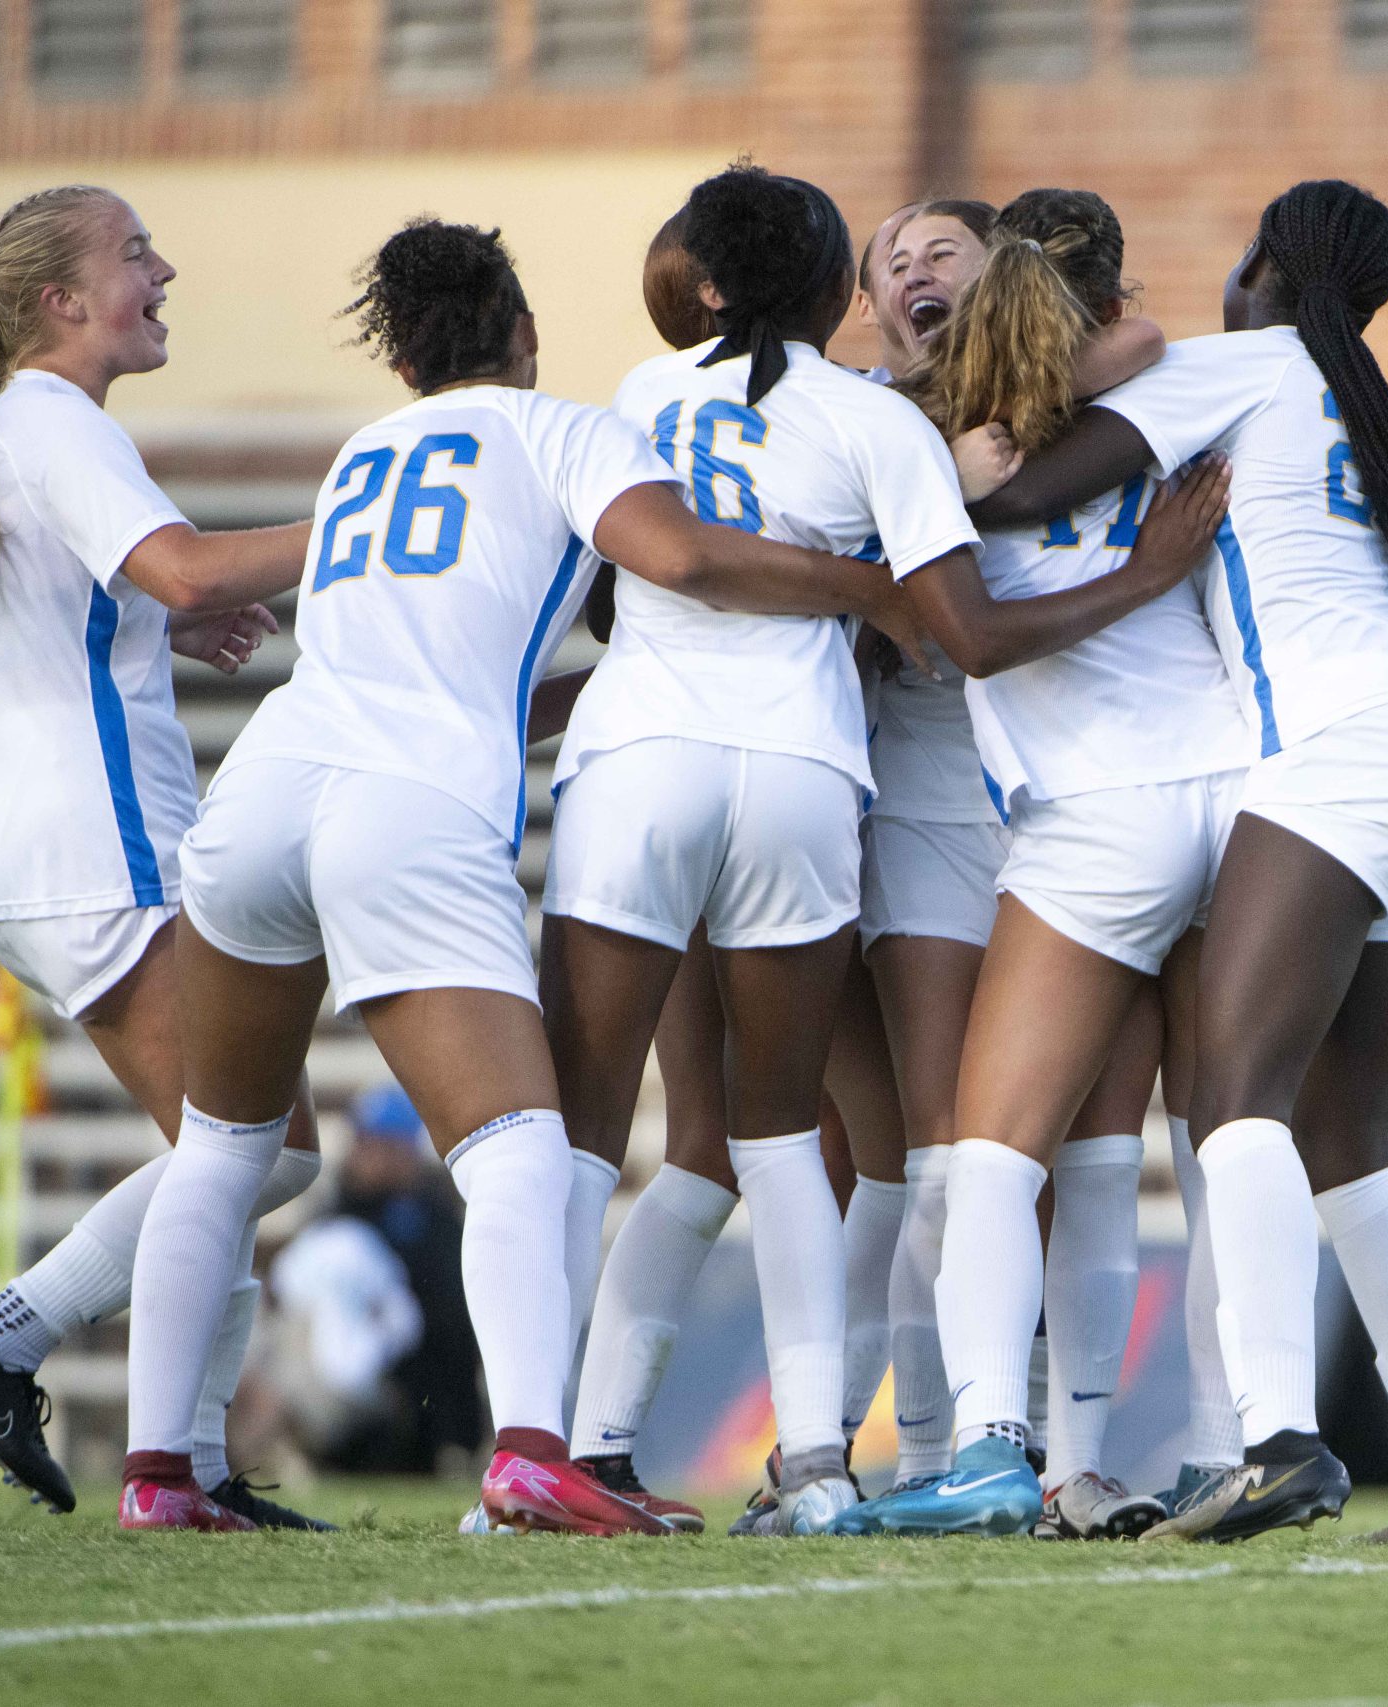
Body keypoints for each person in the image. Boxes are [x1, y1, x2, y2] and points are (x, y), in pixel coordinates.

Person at [117, 216, 925, 1533]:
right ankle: (539, 1451)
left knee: (221, 1141)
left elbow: (475, 661)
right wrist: (872, 588)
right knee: (520, 1147)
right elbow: (685, 556)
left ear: (404, 349)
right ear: (525, 329)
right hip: (410, 806)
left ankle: (161, 1470)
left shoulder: (369, 452)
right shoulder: (565, 429)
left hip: (263, 790)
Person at [958, 179, 1388, 1547]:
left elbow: (1024, 490)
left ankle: (1277, 1440)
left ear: (1267, 262)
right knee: (1350, 1145)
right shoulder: (1356, 388)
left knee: (1236, 1095)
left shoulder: (1235, 364)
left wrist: (940, 450)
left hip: (1340, 754)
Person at [540, 165, 988, 1537]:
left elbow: (622, 583)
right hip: (803, 767)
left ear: (709, 279)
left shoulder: (632, 394)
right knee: (783, 1133)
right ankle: (813, 1463)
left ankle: (561, 1451)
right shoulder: (870, 418)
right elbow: (940, 615)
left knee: (578, 1134)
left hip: (639, 758)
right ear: (830, 287)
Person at [0, 185, 329, 1530]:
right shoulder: (49, 415)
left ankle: (194, 1465)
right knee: (255, 1145)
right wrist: (365, 532)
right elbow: (189, 567)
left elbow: (119, 598)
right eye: (134, 251)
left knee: (235, 1147)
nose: (164, 269)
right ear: (60, 301)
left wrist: (158, 631)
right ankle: (10, 1342)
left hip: (53, 842)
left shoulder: (13, 422)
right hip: (103, 841)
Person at [826, 190, 1239, 1540]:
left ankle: (1001, 1454)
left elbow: (970, 627)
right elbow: (1142, 347)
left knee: (1012, 1153)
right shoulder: (1122, 400)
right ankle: (1086, 1453)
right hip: (1177, 792)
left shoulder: (960, 437)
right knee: (1078, 1148)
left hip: (1086, 810)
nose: (915, 269)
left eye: (945, 251)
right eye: (892, 262)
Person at [270, 1085, 483, 1475]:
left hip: (411, 1387)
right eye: (369, 1144)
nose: (376, 1157)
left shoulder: (435, 1219)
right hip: (343, 1377)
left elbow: (449, 1322)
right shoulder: (334, 1213)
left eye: (389, 1146)